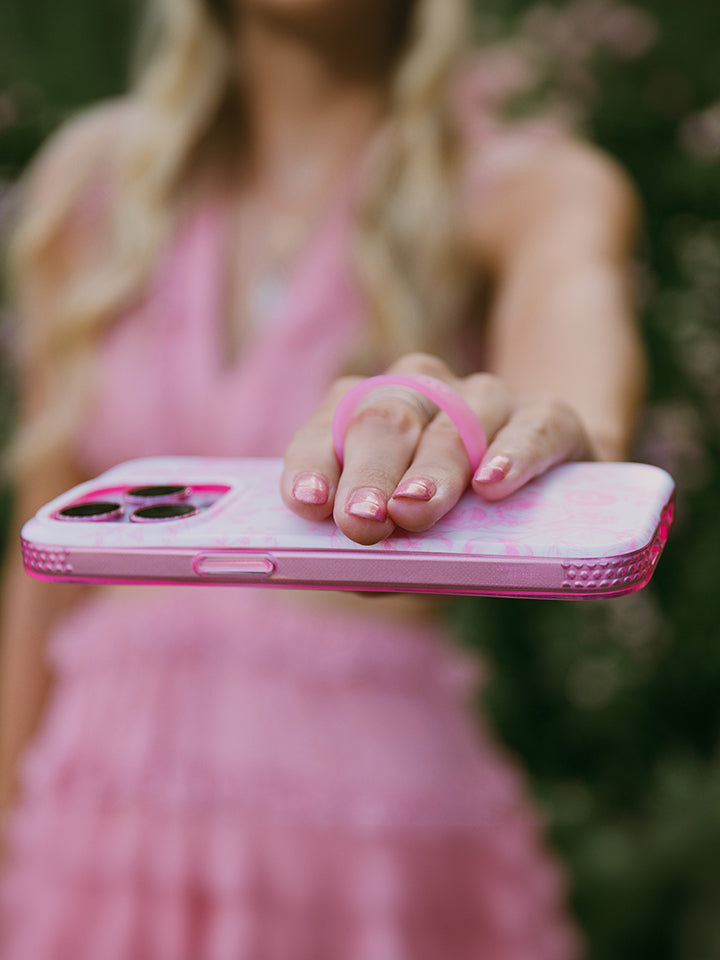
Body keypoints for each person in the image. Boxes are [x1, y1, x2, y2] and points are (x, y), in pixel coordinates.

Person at [0, 0, 645, 957]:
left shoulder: (528, 183)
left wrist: (524, 427)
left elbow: (574, 366)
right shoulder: (91, 187)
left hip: (365, 840)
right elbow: (43, 563)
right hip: (96, 824)